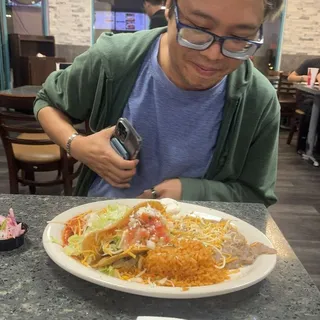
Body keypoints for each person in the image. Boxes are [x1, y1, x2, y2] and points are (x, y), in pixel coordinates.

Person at [34, 0, 284, 207]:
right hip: (100, 218)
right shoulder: (113, 60)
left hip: (196, 242)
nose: (213, 55)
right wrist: (77, 146)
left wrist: (190, 191)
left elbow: (256, 196)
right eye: (198, 28)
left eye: (240, 38)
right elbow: (46, 101)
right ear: (169, 8)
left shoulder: (258, 100)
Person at [288, 58, 320, 152]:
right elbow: (290, 77)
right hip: (305, 98)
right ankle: (304, 145)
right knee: (311, 111)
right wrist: (304, 77)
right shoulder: (311, 62)